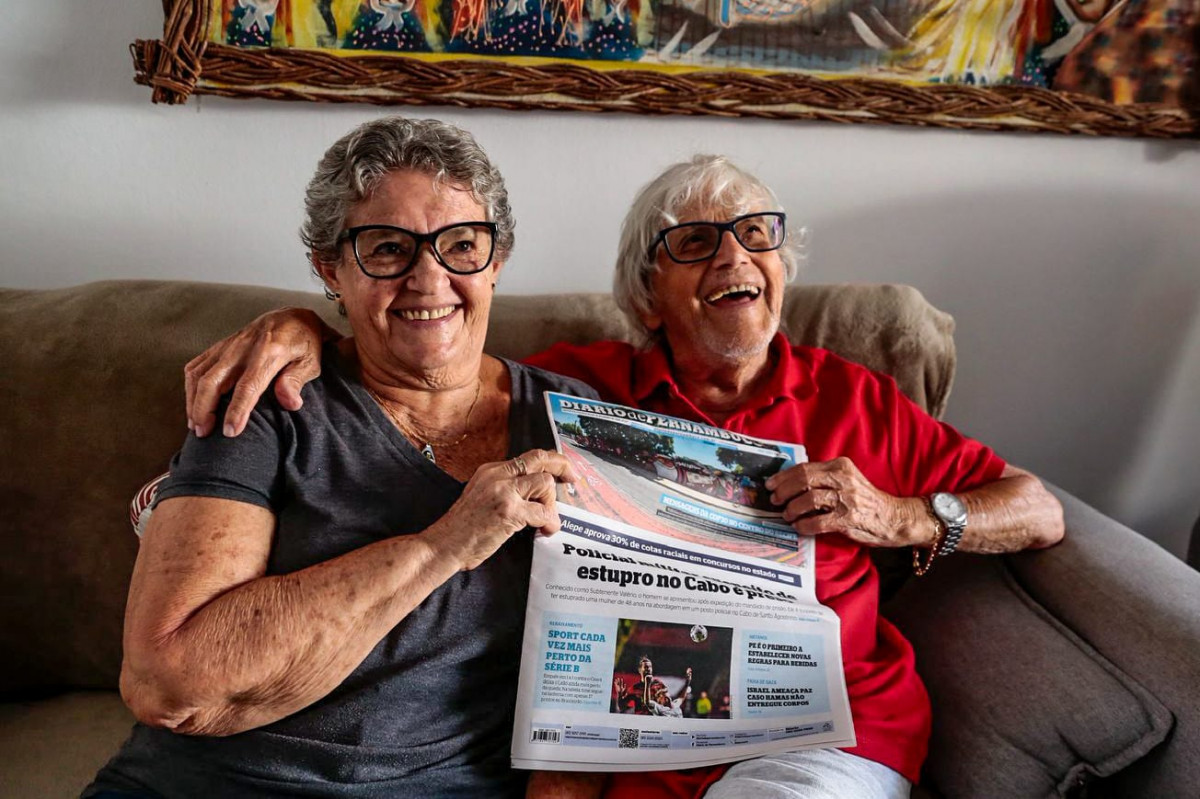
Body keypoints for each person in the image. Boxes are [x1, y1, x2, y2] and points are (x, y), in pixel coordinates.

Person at [180, 153, 1065, 798]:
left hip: (816, 736)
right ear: (647, 293)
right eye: (696, 242)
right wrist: (300, 327)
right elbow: (430, 341)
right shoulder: (581, 392)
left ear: (783, 267)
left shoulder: (858, 396)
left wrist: (902, 516)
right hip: (645, 741)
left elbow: (1038, 510)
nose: (733, 259)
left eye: (756, 235)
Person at [83, 116, 601, 798]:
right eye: (388, 248)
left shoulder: (573, 423)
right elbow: (166, 679)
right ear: (331, 268)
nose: (428, 277)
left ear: (496, 260)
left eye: (460, 245)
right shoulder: (269, 400)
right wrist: (444, 544)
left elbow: (593, 699)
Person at [612, 657, 692, 717]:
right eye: (646, 667)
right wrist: (619, 694)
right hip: (642, 722)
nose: (648, 669)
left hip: (657, 721)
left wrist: (687, 682)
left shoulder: (659, 685)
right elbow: (622, 707)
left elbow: (673, 701)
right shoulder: (635, 688)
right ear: (640, 670)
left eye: (650, 667)